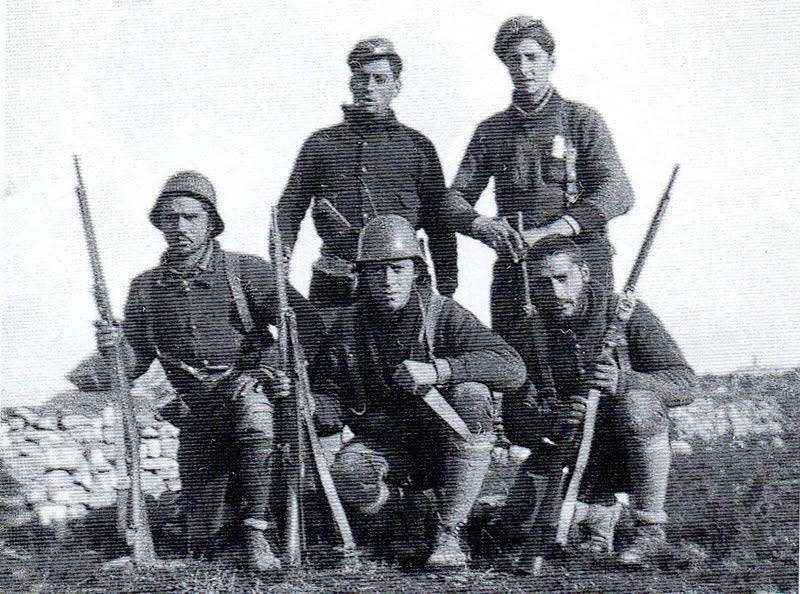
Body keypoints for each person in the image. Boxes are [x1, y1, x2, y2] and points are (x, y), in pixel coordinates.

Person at [94, 171, 325, 571]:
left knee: (255, 417)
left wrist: (269, 368)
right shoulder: (145, 289)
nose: (179, 227)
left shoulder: (247, 271)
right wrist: (114, 350)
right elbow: (137, 360)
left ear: (211, 222)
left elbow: (307, 327)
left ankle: (257, 534)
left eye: (191, 217)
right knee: (204, 539)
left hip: (252, 393)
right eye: (170, 218)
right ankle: (217, 524)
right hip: (199, 415)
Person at [309, 215, 526, 570]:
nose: (388, 281)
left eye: (397, 268)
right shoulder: (348, 325)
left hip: (445, 447)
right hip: (386, 447)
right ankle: (407, 510)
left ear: (415, 269)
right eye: (376, 271)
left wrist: (441, 370)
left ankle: (450, 532)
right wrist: (310, 403)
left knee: (471, 394)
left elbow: (512, 367)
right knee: (347, 475)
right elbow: (332, 399)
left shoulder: (443, 314)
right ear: (362, 275)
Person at [497, 236, 696, 569]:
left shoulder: (625, 314)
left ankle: (649, 531)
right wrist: (551, 420)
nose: (556, 292)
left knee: (638, 405)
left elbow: (685, 384)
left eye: (563, 278)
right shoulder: (526, 333)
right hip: (567, 452)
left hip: (628, 451)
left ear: (585, 272)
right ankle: (599, 514)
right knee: (517, 528)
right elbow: (515, 423)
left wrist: (626, 382)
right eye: (543, 284)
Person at [442, 16, 634, 336]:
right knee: (516, 363)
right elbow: (452, 201)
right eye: (513, 60)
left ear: (551, 61)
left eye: (532, 57)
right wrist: (484, 226)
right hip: (518, 265)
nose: (523, 68)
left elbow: (619, 191)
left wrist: (550, 231)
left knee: (591, 365)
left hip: (580, 265)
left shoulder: (581, 120)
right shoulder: (491, 131)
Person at [274, 37, 458, 312]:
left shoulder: (418, 147)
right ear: (351, 84)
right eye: (361, 79)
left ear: (396, 86)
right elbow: (288, 211)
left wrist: (446, 290)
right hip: (335, 285)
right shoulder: (321, 145)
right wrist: (280, 273)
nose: (369, 87)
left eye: (380, 79)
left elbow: (439, 225)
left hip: (401, 286)